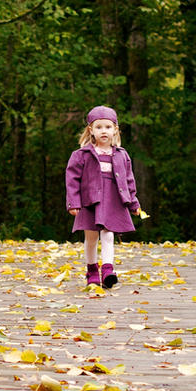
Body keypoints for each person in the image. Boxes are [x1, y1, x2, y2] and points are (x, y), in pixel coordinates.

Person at [65, 105, 141, 289]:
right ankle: (92, 271)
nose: (103, 131)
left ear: (115, 129)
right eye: (99, 127)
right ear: (91, 130)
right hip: (89, 202)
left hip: (113, 201)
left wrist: (134, 204)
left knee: (108, 235)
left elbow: (129, 181)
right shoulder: (81, 155)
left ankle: (108, 270)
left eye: (107, 127)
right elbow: (72, 179)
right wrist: (73, 203)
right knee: (91, 238)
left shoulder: (122, 155)